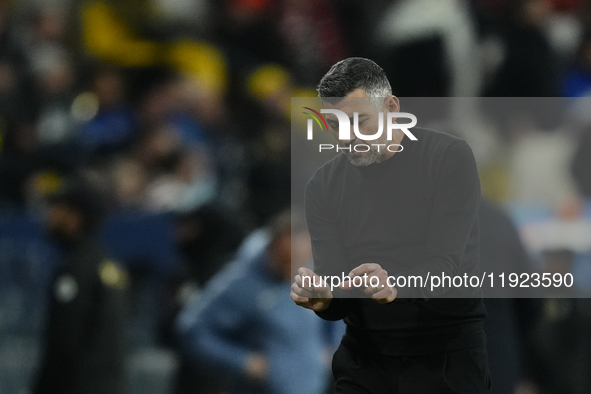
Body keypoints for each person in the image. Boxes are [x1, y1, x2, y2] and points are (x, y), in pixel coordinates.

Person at [290, 57, 491, 393]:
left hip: (445, 359)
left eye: (359, 121)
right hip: (366, 362)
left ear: (391, 106)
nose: (347, 137)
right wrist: (323, 298)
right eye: (336, 125)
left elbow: (446, 264)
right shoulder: (323, 187)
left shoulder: (448, 158)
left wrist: (396, 286)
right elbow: (339, 293)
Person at [176, 210, 329, 394]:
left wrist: (331, 347)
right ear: (272, 247)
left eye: (301, 260)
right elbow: (192, 330)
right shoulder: (241, 283)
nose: (293, 269)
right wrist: (241, 362)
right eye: (286, 260)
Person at [32, 180, 128, 394]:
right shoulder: (109, 263)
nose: (49, 216)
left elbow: (65, 341)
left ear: (74, 218)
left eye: (56, 209)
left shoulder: (75, 268)